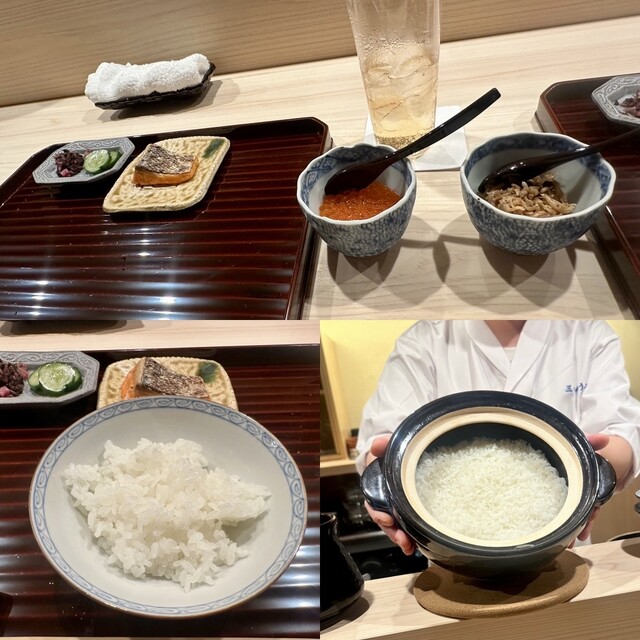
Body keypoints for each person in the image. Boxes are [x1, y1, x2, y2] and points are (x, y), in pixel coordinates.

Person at [356, 320, 640, 555]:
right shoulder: (423, 340)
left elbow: (622, 436)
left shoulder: (589, 331)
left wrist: (591, 478)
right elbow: (382, 443)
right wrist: (386, 489)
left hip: (562, 548)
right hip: (455, 558)